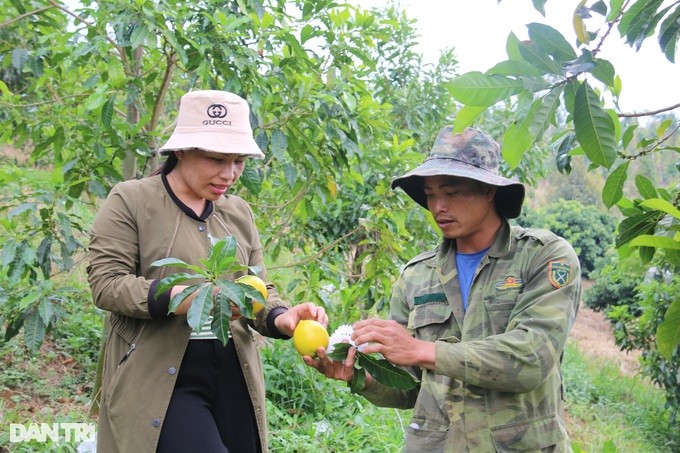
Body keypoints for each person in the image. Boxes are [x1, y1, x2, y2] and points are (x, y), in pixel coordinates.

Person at [306, 127, 581, 452]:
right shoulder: (417, 275)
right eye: (431, 194)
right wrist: (360, 377)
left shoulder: (542, 256)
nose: (438, 206)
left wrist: (423, 350)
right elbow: (410, 386)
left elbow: (532, 357)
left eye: (452, 192)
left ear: (489, 191)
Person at [87, 90, 328, 453]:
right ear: (181, 151)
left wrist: (281, 317)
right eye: (217, 159)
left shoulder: (238, 213)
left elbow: (257, 288)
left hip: (233, 372)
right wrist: (191, 298)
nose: (229, 174)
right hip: (161, 376)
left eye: (239, 161)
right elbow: (107, 284)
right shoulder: (132, 200)